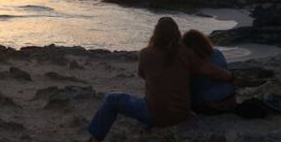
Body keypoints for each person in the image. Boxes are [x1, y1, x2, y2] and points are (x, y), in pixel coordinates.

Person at [87, 17, 234, 142]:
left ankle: (94, 139)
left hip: (157, 116)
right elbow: (211, 70)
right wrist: (231, 77)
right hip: (182, 114)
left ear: (155, 34)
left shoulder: (145, 53)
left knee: (111, 99)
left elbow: (143, 75)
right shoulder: (187, 53)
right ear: (177, 34)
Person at [181, 29, 236, 114]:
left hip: (202, 96)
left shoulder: (192, 59)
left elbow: (214, 72)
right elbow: (224, 74)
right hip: (223, 90)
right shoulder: (217, 53)